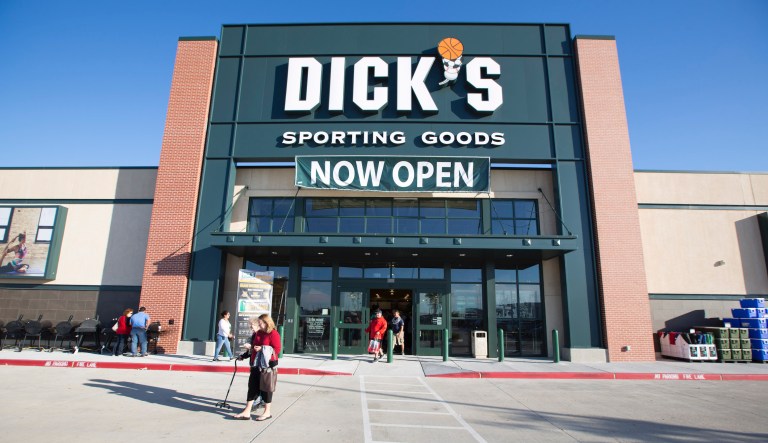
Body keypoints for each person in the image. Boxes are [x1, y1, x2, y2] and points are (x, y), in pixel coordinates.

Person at [233, 314, 281, 421]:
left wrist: (263, 348)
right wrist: (244, 356)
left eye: (261, 323)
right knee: (252, 387)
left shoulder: (274, 334)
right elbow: (253, 348)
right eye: (258, 323)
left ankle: (267, 412)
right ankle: (246, 412)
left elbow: (277, 350)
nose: (259, 325)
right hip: (256, 364)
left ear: (267, 323)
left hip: (267, 366)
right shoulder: (258, 333)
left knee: (266, 389)